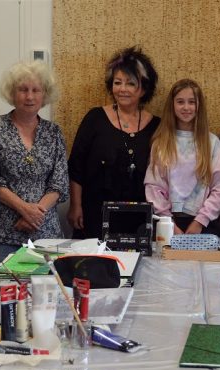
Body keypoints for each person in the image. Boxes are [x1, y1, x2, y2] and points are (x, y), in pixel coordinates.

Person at [0, 61, 69, 273]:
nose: (29, 96)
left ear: (45, 95)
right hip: (3, 230)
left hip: (45, 231)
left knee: (47, 297)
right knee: (2, 298)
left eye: (36, 90)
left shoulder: (54, 132)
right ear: (12, 93)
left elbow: (59, 184)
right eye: (23, 89)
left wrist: (35, 216)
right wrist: (24, 210)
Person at [68, 46, 160, 239]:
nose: (122, 89)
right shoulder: (95, 119)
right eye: (117, 82)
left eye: (130, 83)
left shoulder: (157, 127)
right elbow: (76, 168)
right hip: (94, 216)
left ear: (143, 88)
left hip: (140, 220)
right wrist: (75, 206)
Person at [145, 79, 220, 235]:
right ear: (172, 105)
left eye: (192, 102)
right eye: (180, 102)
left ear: (199, 106)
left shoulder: (211, 143)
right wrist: (168, 223)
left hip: (203, 223)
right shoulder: (161, 143)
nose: (186, 107)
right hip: (168, 222)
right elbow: (153, 187)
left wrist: (200, 221)